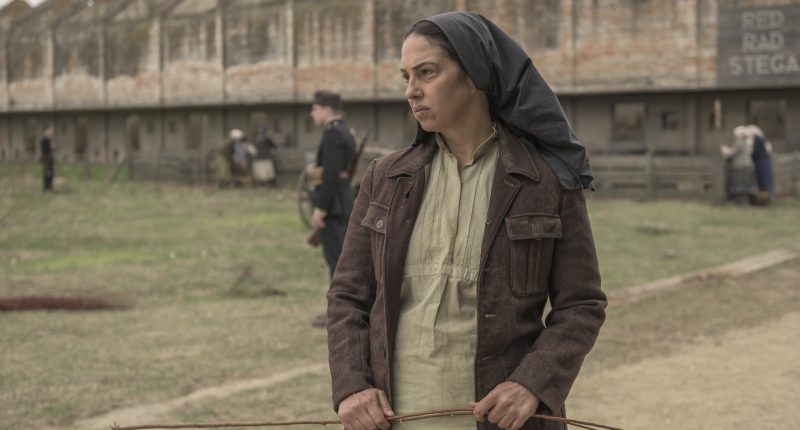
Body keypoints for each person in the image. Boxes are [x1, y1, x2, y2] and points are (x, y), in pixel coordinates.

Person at [326, 12, 606, 430]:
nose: (411, 91)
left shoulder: (545, 180)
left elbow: (581, 305)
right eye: (406, 76)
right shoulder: (384, 178)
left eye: (427, 72)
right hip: (397, 420)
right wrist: (352, 387)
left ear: (475, 74)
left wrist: (532, 384)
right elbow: (347, 297)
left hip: (505, 423)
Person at [308, 90, 357, 278]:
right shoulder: (344, 130)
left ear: (327, 110)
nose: (312, 113)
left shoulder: (332, 133)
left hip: (333, 205)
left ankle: (339, 298)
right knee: (341, 260)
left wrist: (320, 209)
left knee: (337, 263)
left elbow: (331, 175)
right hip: (341, 200)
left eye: (315, 109)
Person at [721, 126, 757, 203]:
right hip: (748, 164)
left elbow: (732, 153)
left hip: (740, 165)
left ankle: (740, 200)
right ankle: (745, 200)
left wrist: (725, 150)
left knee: (739, 183)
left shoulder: (739, 142)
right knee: (746, 183)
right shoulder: (748, 142)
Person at [748, 124, 774, 205]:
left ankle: (764, 199)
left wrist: (750, 156)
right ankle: (765, 198)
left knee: (763, 179)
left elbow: (755, 151)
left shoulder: (757, 140)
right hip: (764, 161)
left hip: (761, 162)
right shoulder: (763, 139)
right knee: (765, 179)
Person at [39, 125, 55, 192]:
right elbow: (44, 149)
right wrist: (51, 147)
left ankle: (50, 187)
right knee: (47, 173)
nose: (52, 133)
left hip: (49, 158)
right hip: (46, 158)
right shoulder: (44, 139)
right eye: (51, 131)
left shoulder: (49, 139)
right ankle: (46, 188)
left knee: (50, 173)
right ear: (47, 130)